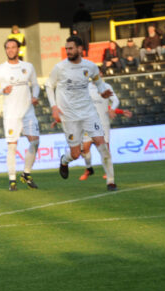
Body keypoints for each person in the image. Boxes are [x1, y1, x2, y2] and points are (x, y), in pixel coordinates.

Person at [45, 36, 117, 191]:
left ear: (79, 49)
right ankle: (64, 161)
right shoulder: (60, 67)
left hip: (89, 114)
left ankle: (111, 181)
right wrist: (54, 107)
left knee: (102, 145)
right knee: (76, 154)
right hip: (69, 117)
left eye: (71, 48)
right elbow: (49, 86)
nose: (68, 51)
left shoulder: (90, 67)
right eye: (66, 49)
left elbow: (99, 84)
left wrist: (103, 92)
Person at [0, 38, 41, 191]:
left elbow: (35, 85)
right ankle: (12, 180)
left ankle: (26, 173)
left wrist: (35, 96)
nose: (10, 50)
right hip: (11, 114)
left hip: (28, 112)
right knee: (12, 147)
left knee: (35, 142)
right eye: (8, 47)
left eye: (13, 47)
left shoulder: (28, 67)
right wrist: (1, 90)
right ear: (5, 50)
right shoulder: (0, 69)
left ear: (18, 49)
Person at [79, 79, 133, 181]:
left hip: (102, 124)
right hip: (88, 123)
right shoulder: (85, 88)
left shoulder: (105, 87)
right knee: (85, 149)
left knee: (105, 150)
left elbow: (106, 107)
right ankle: (89, 169)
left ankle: (107, 172)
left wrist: (120, 111)